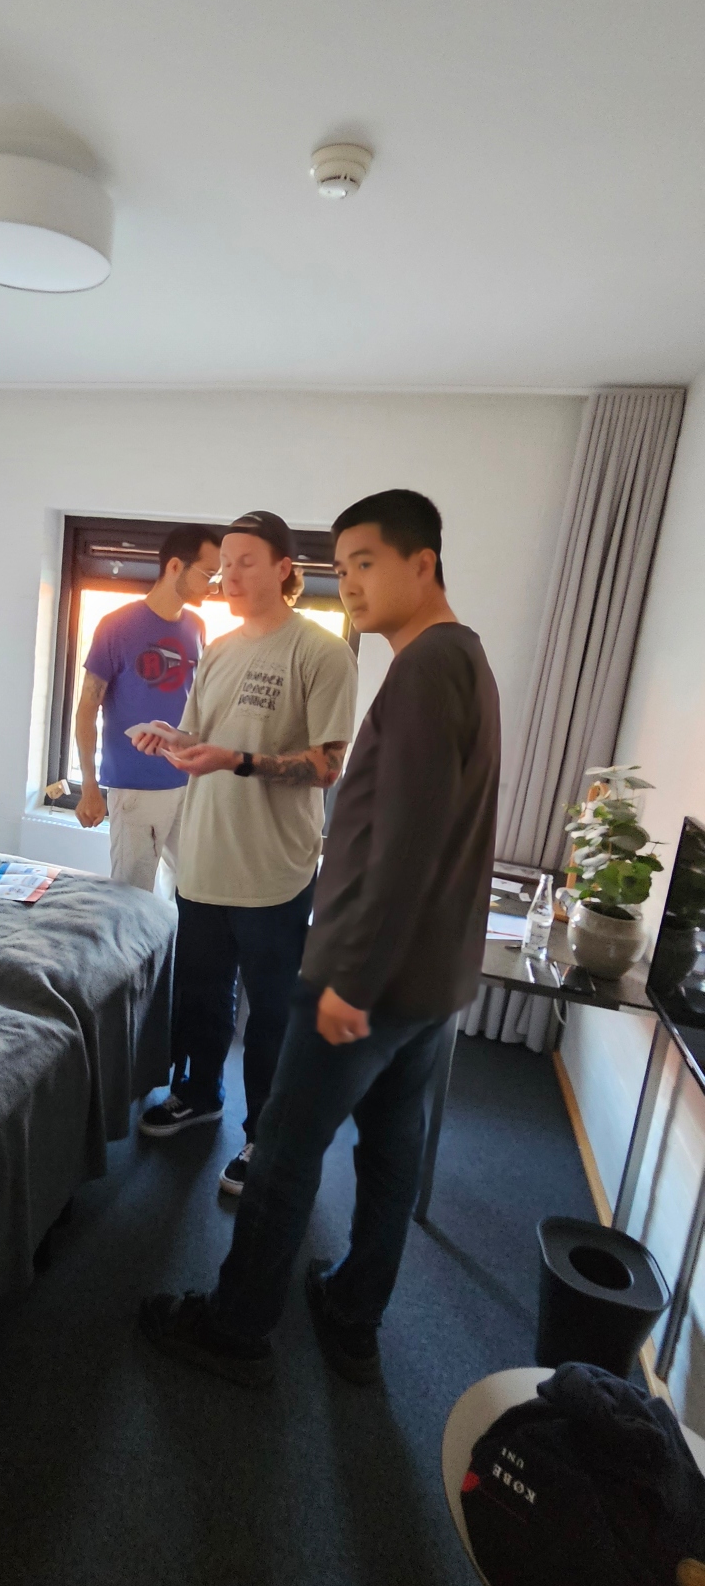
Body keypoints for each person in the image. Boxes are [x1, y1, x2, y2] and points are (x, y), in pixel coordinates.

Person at [138, 489, 501, 1386]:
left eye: (367, 563)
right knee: (390, 1150)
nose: (355, 583)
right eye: (345, 568)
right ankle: (351, 1310)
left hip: (369, 975)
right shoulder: (461, 659)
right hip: (431, 975)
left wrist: (354, 980)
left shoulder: (423, 668)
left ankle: (235, 1329)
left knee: (286, 1151)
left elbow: (407, 839)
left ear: (423, 563)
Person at [136, 511, 357, 1199]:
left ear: (285, 568)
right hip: (203, 857)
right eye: (224, 563)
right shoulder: (220, 648)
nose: (228, 575)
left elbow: (326, 766)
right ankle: (199, 1093)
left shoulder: (322, 652)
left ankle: (268, 1134)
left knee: (271, 1014)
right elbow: (201, 738)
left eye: (246, 561)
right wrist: (170, 737)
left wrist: (237, 759)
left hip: (273, 869)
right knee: (200, 995)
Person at [75, 525, 223, 893]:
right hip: (135, 788)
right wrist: (89, 785)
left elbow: (196, 703)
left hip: (187, 783)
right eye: (208, 574)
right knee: (131, 895)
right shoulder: (116, 626)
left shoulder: (197, 627)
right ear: (175, 566)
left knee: (194, 890)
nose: (213, 586)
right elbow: (86, 709)